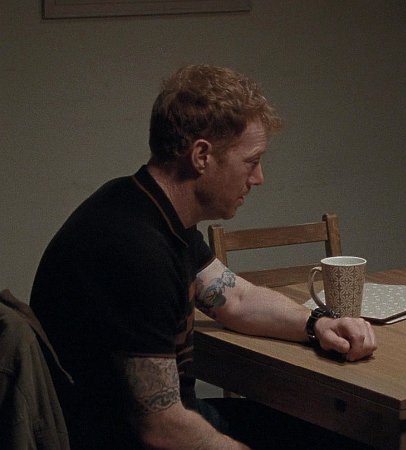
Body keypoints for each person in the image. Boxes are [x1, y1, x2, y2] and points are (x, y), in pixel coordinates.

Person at [30, 65, 377, 450]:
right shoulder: (135, 249)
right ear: (201, 156)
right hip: (132, 440)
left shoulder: (149, 207)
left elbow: (237, 299)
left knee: (339, 433)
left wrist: (318, 324)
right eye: (251, 161)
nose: (258, 178)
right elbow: (161, 428)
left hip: (176, 422)